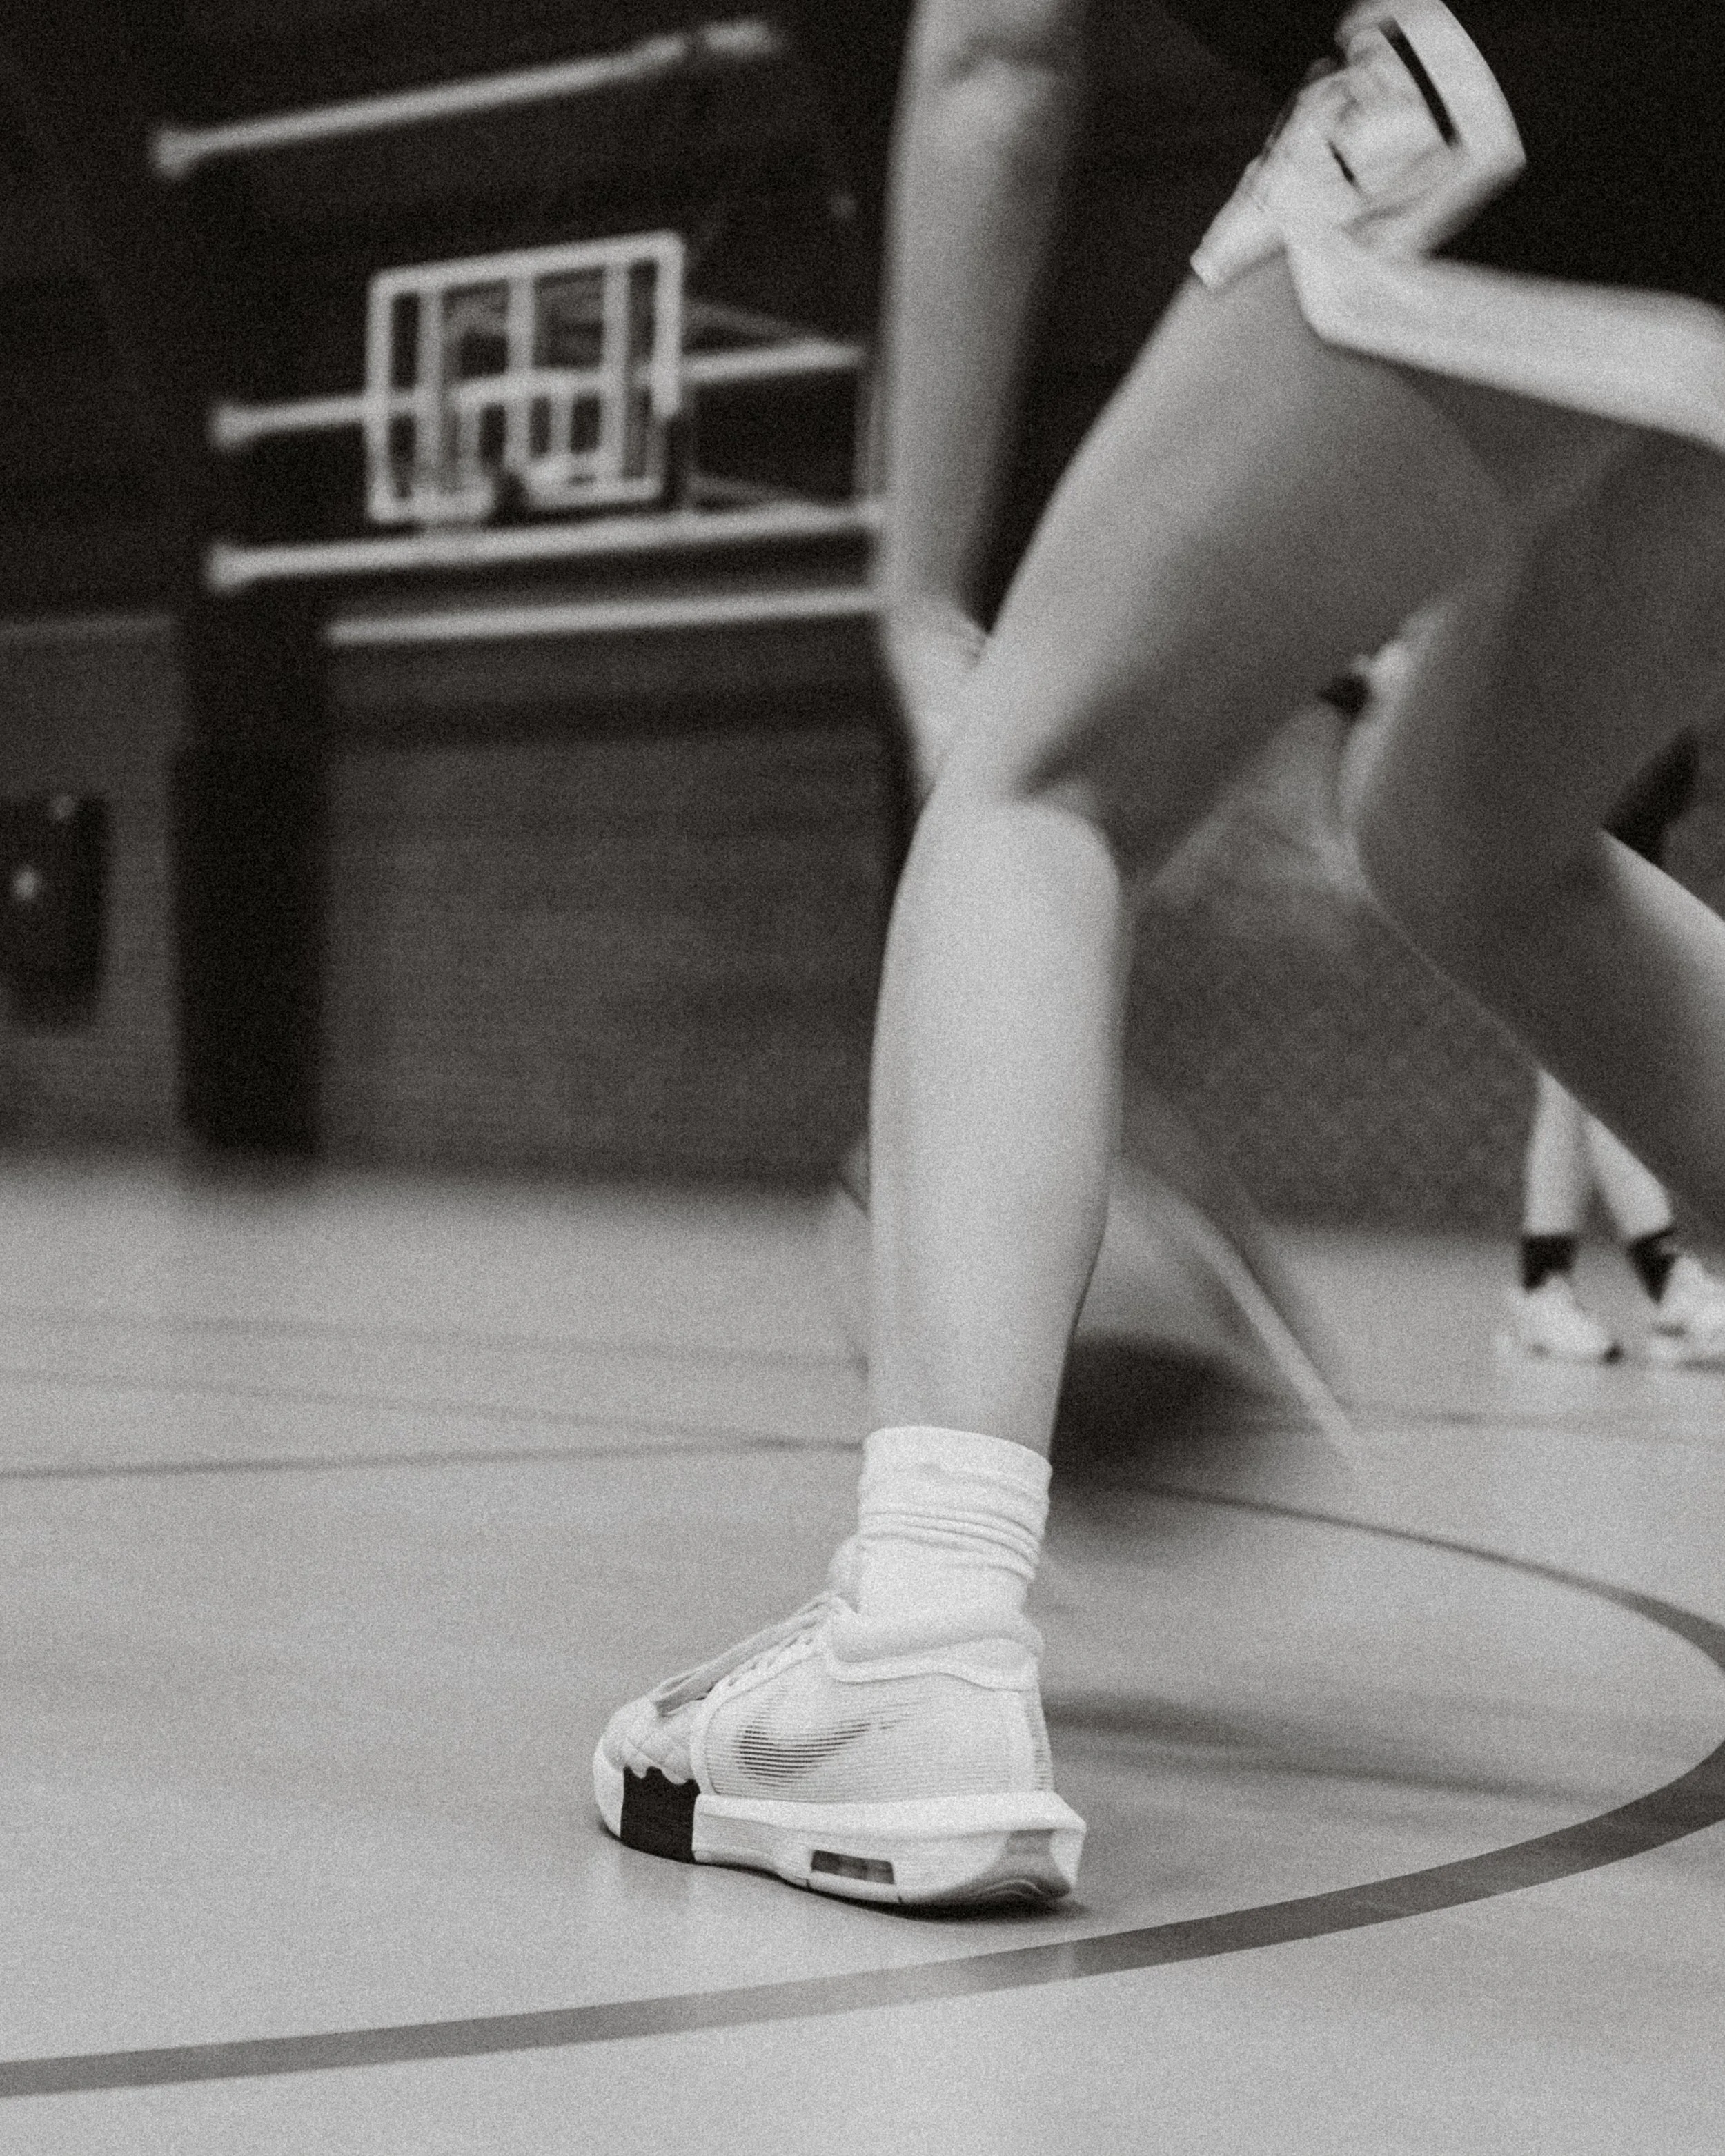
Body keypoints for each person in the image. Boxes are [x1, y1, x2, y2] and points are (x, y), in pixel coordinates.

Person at [596, 0, 1725, 1908]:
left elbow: (998, 66)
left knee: (1034, 780)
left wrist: (924, 590)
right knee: (1465, 834)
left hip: (1581, 81)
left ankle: (914, 1655)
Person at [1506, 733, 1725, 1364]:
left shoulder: (1661, 713)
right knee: (1601, 1071)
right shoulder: (1572, 701)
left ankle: (1541, 1285)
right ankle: (1668, 1288)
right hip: (1563, 890)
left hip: (1611, 890)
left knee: (1570, 1085)